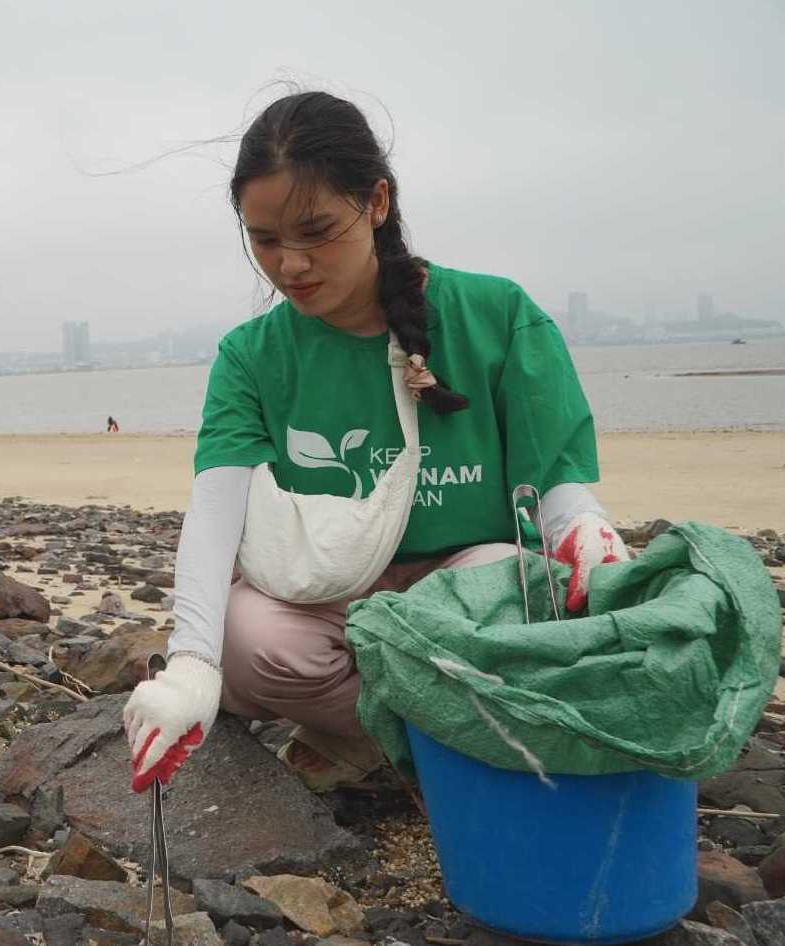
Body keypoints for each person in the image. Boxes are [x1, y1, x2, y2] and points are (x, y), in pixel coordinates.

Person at [122, 91, 629, 794]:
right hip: (332, 590)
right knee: (252, 639)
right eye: (265, 239)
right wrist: (191, 665)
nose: (290, 265)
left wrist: (582, 526)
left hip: (464, 582)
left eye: (316, 231)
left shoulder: (498, 314)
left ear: (377, 202)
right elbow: (216, 510)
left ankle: (384, 743)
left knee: (514, 590)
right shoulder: (251, 354)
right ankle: (435, 741)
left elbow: (551, 478)